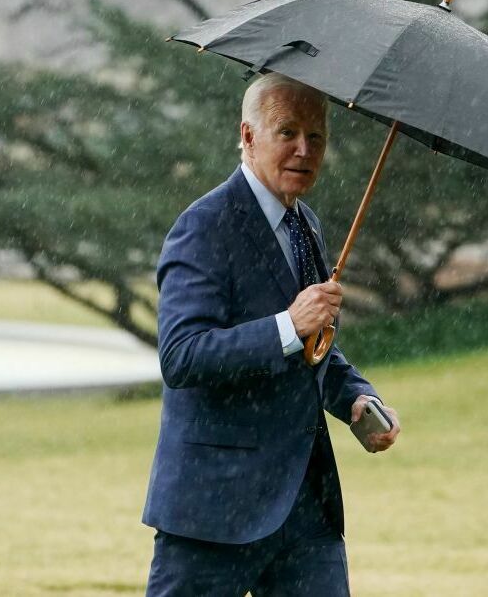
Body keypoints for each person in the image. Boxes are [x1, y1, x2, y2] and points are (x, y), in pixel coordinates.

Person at [143, 72, 401, 596]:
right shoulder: (203, 226)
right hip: (215, 507)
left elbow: (313, 349)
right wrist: (288, 324)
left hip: (306, 507)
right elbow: (182, 356)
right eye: (288, 132)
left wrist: (355, 397)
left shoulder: (307, 224)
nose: (304, 150)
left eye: (317, 137)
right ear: (248, 136)